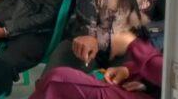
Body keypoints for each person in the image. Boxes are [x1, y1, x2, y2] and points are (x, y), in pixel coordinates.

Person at [32, 31, 162, 98]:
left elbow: (169, 72)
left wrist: (133, 44)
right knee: (55, 78)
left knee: (57, 80)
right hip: (146, 77)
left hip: (137, 57)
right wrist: (129, 70)